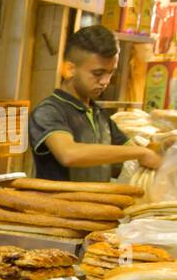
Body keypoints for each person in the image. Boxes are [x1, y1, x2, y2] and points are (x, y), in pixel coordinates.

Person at [30, 24, 162, 182]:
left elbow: (132, 150)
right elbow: (68, 154)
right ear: (70, 69)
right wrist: (141, 154)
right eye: (98, 73)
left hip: (98, 204)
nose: (105, 82)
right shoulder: (49, 110)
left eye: (111, 72)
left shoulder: (98, 114)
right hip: (57, 205)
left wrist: (163, 143)